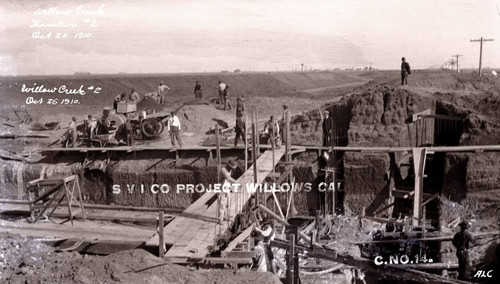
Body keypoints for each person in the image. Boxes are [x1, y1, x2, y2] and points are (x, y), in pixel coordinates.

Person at [218, 159, 238, 224]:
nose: (232, 169)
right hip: (222, 189)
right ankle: (220, 219)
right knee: (222, 204)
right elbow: (228, 178)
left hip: (227, 188)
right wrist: (236, 182)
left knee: (227, 204)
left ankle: (225, 216)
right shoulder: (223, 170)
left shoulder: (229, 170)